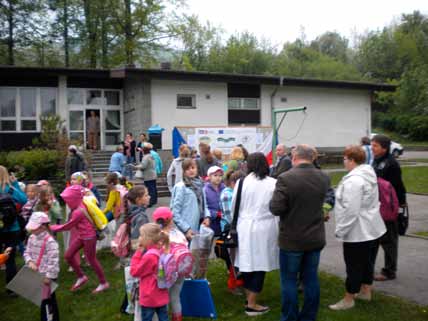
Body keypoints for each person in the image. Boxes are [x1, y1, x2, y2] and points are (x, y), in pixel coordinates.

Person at [270, 145, 330, 321]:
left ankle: (289, 317)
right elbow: (326, 202)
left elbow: (276, 208)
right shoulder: (324, 177)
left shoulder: (285, 178)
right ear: (312, 158)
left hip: (292, 239)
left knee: (289, 280)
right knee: (311, 278)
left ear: (294, 158)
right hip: (315, 237)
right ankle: (309, 317)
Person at [329, 145, 386, 310]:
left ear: (352, 160)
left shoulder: (355, 180)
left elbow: (351, 211)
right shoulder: (367, 174)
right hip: (371, 226)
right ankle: (365, 291)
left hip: (358, 230)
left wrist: (341, 230)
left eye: (345, 158)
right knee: (367, 261)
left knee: (354, 264)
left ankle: (348, 299)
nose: (344, 161)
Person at [233, 152, 278, 316]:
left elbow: (234, 207)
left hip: (244, 226)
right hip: (264, 227)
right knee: (260, 265)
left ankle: (249, 298)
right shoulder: (273, 183)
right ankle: (251, 304)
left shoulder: (241, 182)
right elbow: (277, 208)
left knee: (247, 262)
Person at [51, 185, 109, 293]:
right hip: (82, 236)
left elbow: (67, 227)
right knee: (68, 256)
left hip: (89, 237)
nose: (67, 203)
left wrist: (51, 227)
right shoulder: (81, 203)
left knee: (91, 259)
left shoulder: (78, 211)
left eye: (68, 200)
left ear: (74, 199)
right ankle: (81, 277)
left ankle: (103, 283)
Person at [371, 134, 406, 281]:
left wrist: (400, 207)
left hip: (389, 207)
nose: (372, 148)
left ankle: (390, 271)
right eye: (372, 145)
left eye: (375, 146)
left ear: (384, 148)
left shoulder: (391, 164)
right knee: (375, 238)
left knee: (389, 240)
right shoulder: (376, 160)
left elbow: (397, 187)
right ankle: (370, 268)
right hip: (377, 205)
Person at [120, 185, 151, 315]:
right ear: (139, 200)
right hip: (139, 252)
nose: (149, 197)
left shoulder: (131, 212)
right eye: (146, 195)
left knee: (132, 280)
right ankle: (131, 306)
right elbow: (140, 238)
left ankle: (126, 306)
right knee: (136, 282)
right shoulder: (141, 216)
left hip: (132, 252)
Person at [153, 207, 188, 321]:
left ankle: (163, 318)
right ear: (171, 220)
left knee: (163, 298)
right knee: (175, 297)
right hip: (180, 270)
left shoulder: (157, 237)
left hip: (165, 272)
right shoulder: (178, 234)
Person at [24, 212, 60, 321]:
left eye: (34, 228)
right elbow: (27, 252)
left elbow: (53, 261)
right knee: (43, 299)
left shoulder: (50, 242)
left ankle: (50, 318)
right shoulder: (31, 238)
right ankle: (47, 316)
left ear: (43, 227)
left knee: (48, 300)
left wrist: (48, 277)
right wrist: (29, 261)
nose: (32, 230)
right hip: (37, 274)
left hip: (47, 277)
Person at [130, 223, 170, 321]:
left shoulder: (149, 256)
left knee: (147, 318)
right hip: (161, 291)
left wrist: (138, 253)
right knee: (163, 317)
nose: (139, 238)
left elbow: (134, 272)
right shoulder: (161, 250)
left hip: (150, 295)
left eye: (141, 235)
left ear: (149, 239)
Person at [0, 165, 27, 290]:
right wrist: (15, 183)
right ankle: (11, 289)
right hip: (12, 228)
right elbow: (24, 199)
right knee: (10, 259)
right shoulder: (10, 189)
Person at [219, 170, 246, 294]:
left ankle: (240, 282)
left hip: (239, 228)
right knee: (233, 258)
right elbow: (230, 217)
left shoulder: (236, 193)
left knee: (240, 258)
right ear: (233, 183)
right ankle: (233, 285)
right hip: (231, 230)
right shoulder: (227, 194)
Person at [170, 158, 211, 240]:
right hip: (187, 229)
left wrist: (207, 217)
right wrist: (186, 229)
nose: (191, 170)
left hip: (200, 225)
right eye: (187, 169)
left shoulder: (201, 184)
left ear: (197, 168)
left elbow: (205, 204)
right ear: (184, 171)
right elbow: (174, 212)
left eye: (193, 167)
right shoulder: (181, 187)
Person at [204, 166, 225, 236]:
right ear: (209, 176)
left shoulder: (223, 188)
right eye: (215, 175)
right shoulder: (205, 190)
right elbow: (204, 206)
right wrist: (215, 213)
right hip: (211, 221)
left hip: (223, 220)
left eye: (220, 175)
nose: (218, 177)